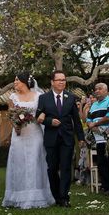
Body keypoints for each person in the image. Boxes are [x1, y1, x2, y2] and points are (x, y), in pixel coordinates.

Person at [2, 73, 55, 208]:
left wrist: (41, 116)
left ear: (25, 82)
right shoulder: (12, 97)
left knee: (34, 161)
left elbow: (44, 111)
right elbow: (11, 115)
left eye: (17, 80)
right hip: (19, 134)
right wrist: (17, 126)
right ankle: (17, 195)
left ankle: (36, 195)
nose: (15, 83)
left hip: (35, 132)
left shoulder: (38, 96)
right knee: (19, 162)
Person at [36, 70, 85, 207]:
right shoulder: (43, 98)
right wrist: (49, 121)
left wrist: (80, 137)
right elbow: (38, 116)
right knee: (52, 168)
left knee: (65, 168)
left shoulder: (71, 97)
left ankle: (64, 197)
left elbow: (76, 119)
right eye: (59, 80)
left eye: (64, 80)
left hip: (67, 139)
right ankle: (56, 195)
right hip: (51, 138)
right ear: (52, 82)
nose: (62, 82)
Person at [86, 83, 109, 195]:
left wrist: (95, 124)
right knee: (101, 162)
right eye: (96, 89)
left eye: (100, 89)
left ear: (106, 90)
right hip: (99, 138)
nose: (97, 91)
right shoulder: (94, 105)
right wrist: (91, 125)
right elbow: (88, 119)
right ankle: (106, 186)